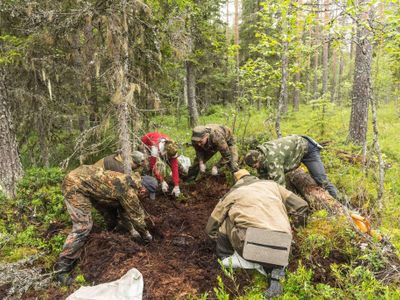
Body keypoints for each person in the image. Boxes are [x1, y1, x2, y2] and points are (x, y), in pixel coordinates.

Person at [206, 169, 309, 298]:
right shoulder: (274, 186)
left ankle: (227, 258)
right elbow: (302, 206)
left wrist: (217, 240)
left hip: (250, 246)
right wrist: (296, 230)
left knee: (225, 219)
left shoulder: (233, 194)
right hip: (284, 245)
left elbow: (211, 228)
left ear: (237, 181)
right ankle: (274, 266)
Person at [54, 165, 157, 285]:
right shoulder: (129, 191)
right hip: (75, 185)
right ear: (144, 189)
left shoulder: (128, 181)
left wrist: (131, 230)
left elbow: (124, 211)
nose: (145, 196)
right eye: (147, 194)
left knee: (111, 207)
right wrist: (146, 235)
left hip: (84, 180)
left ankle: (111, 229)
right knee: (83, 227)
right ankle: (62, 269)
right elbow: (136, 217)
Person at [244, 135, 338, 199]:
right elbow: (263, 180)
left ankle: (342, 203)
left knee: (321, 179)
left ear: (259, 159)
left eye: (255, 165)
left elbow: (280, 187)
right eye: (252, 167)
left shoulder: (272, 160)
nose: (255, 168)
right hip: (296, 150)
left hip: (308, 150)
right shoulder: (261, 156)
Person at [141, 132, 181, 197]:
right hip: (146, 143)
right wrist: (162, 181)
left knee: (178, 166)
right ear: (165, 152)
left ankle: (175, 182)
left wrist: (176, 185)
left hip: (162, 148)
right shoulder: (155, 148)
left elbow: (175, 167)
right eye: (168, 156)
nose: (169, 158)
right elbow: (152, 166)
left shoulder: (172, 148)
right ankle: (146, 184)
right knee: (148, 166)